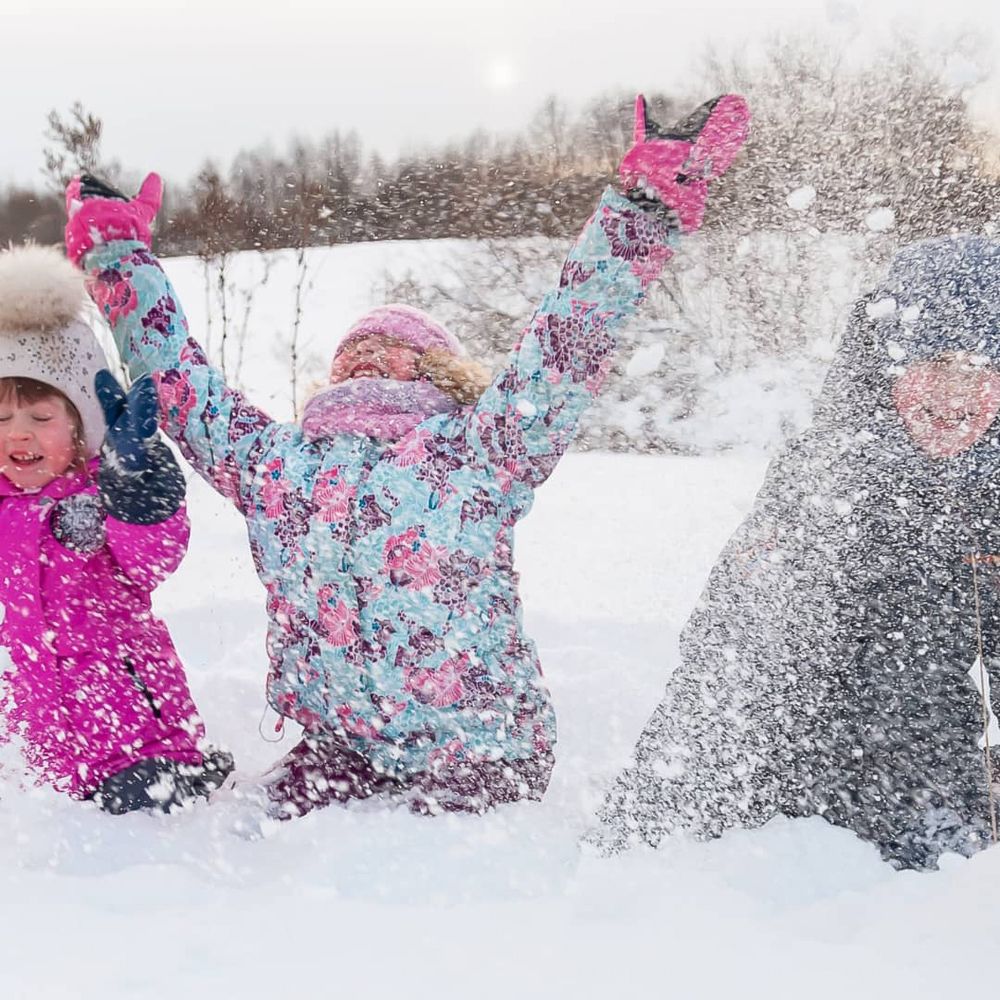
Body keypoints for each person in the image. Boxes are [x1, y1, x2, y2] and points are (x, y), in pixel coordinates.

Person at [65, 94, 750, 821]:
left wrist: (642, 207)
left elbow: (566, 344)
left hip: (480, 752)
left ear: (437, 372)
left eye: (394, 348)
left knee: (427, 866)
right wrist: (119, 258)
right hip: (344, 746)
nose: (368, 356)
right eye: (353, 350)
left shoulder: (480, 450)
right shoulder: (277, 465)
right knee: (250, 832)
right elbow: (181, 385)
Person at [589, 235, 1000, 870]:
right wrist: (655, 828)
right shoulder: (829, 479)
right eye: (936, 364)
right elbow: (728, 670)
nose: (956, 395)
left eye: (981, 370)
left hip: (936, 800)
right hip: (786, 809)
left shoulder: (989, 493)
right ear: (888, 364)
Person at [0, 244, 232, 813]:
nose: (18, 434)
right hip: (34, 754)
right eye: (0, 419)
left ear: (82, 422)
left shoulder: (105, 491)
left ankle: (181, 777)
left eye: (41, 417)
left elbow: (154, 560)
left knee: (143, 837)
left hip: (132, 740)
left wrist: (138, 493)